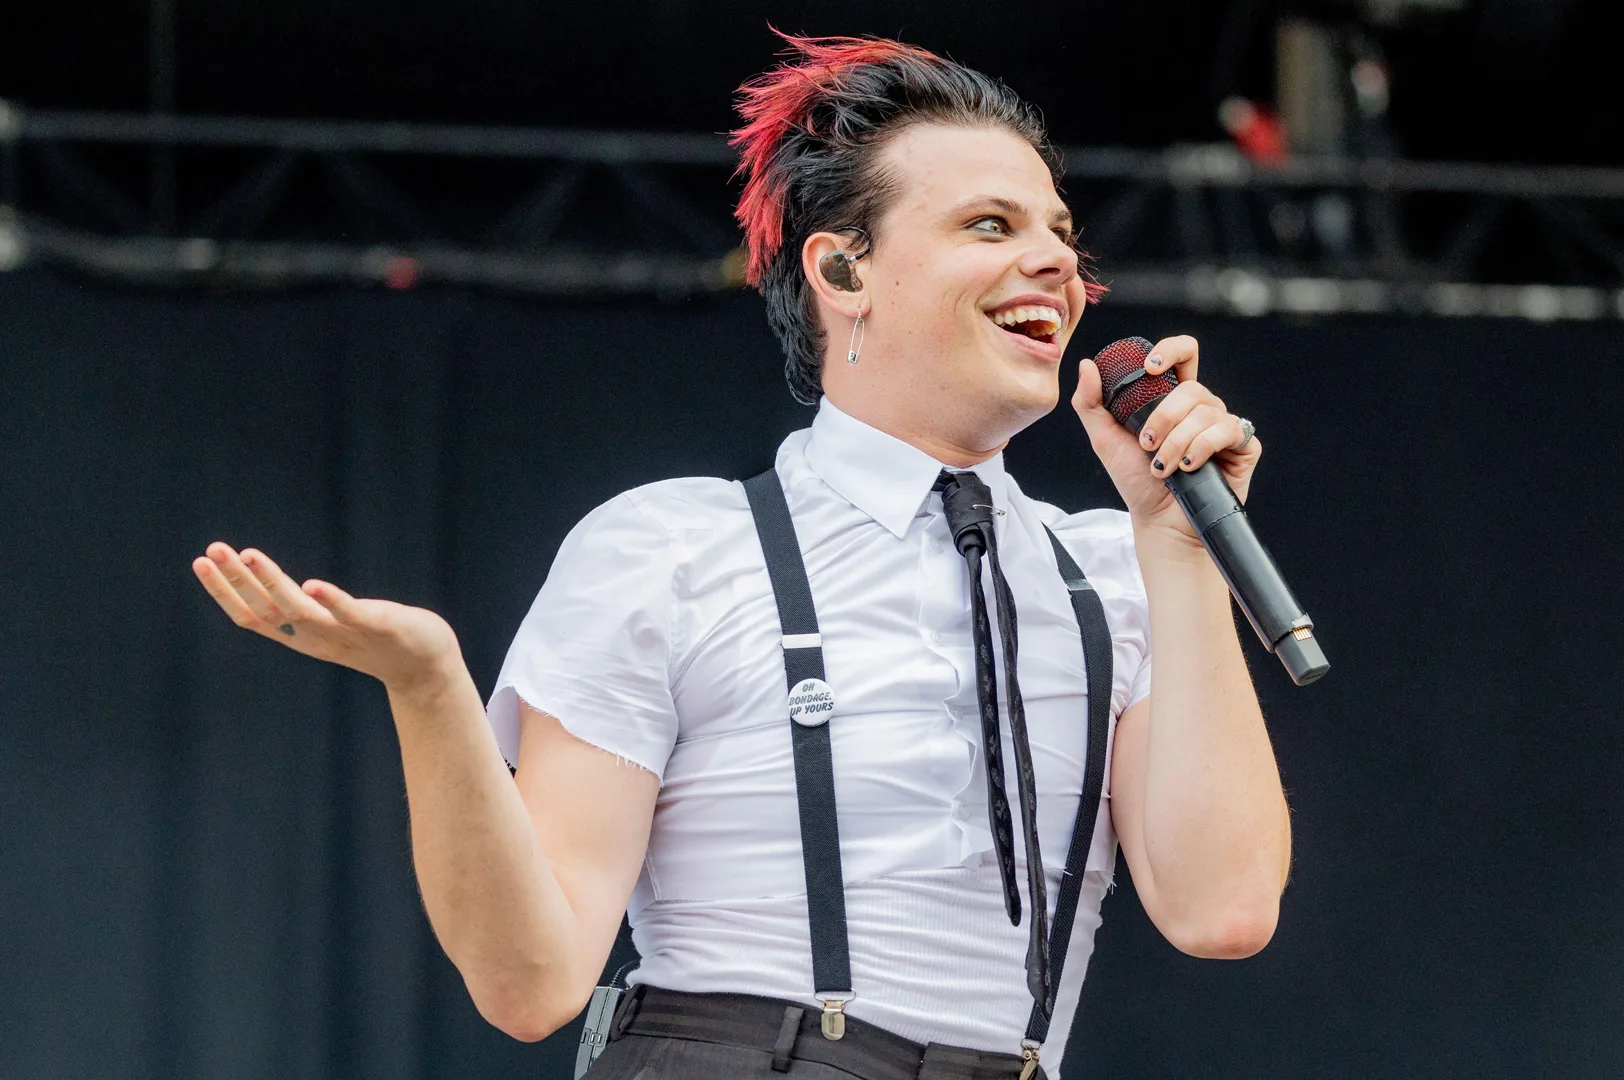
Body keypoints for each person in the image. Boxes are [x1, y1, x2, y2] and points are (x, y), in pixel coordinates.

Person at [189, 33, 1290, 1080]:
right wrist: (429, 685)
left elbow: (1222, 910)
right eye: (991, 226)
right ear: (843, 271)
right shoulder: (674, 548)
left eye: (1061, 233)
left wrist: (1178, 544)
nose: (1053, 260)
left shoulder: (1115, 569)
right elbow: (532, 981)